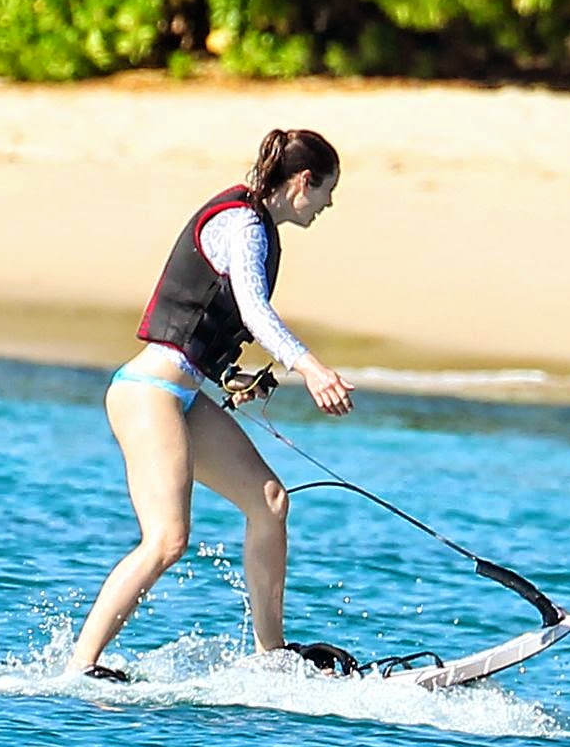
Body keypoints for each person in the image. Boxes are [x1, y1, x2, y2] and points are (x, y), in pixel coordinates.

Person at [67, 128, 355, 680]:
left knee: (270, 502)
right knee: (167, 540)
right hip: (147, 393)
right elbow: (254, 310)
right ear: (303, 182)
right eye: (327, 192)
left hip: (181, 393)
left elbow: (206, 328)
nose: (327, 205)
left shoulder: (259, 229)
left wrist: (230, 375)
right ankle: (81, 667)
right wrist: (311, 368)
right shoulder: (244, 225)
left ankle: (272, 658)